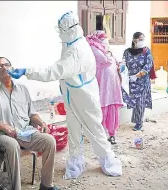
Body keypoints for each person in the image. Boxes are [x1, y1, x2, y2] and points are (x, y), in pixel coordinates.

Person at [7, 11, 122, 179]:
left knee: (94, 131)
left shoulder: (78, 51)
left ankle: (108, 160)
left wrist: (27, 71)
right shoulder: (70, 43)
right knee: (74, 130)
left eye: (61, 30)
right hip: (72, 95)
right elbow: (63, 70)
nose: (60, 34)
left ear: (69, 29)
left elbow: (56, 70)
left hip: (85, 98)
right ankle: (76, 161)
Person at [0, 57, 58, 190]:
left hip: (25, 133)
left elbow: (32, 114)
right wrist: (2, 126)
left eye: (7, 65)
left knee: (49, 141)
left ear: (12, 69)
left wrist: (43, 123)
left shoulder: (23, 89)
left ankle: (47, 185)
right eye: (0, 66)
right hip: (1, 135)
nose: (5, 68)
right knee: (12, 145)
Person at [86, 30, 123, 145]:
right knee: (101, 112)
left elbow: (116, 63)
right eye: (104, 42)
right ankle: (100, 136)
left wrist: (120, 65)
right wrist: (96, 46)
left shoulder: (108, 52)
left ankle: (112, 135)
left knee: (112, 112)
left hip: (113, 89)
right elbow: (104, 60)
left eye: (107, 42)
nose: (107, 44)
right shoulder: (94, 50)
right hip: (102, 89)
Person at [121, 32, 154, 131]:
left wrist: (138, 75)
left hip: (143, 81)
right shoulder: (127, 52)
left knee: (140, 101)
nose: (142, 41)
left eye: (143, 39)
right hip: (131, 81)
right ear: (134, 40)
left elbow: (148, 65)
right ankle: (136, 120)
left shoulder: (146, 51)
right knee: (134, 101)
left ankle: (139, 122)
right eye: (140, 39)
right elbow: (123, 64)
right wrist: (123, 73)